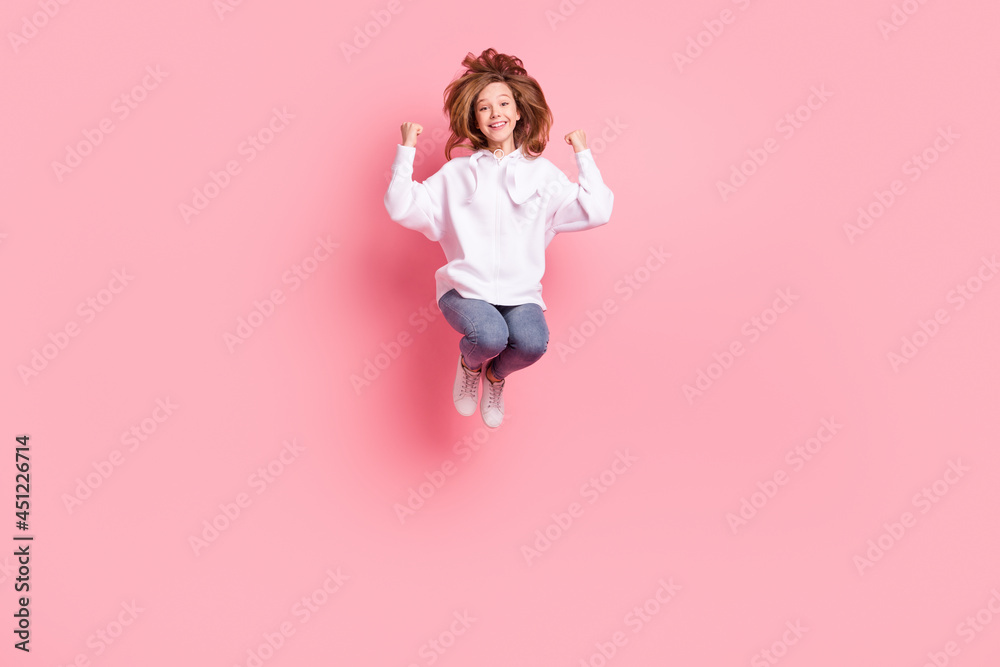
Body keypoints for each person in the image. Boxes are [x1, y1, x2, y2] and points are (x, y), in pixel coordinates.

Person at [383, 48, 614, 428]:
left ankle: (494, 377)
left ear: (519, 111)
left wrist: (583, 155)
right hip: (464, 289)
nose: (496, 113)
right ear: (474, 119)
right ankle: (470, 366)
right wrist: (406, 149)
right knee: (489, 335)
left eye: (503, 103)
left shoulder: (543, 175)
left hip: (519, 294)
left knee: (531, 343)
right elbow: (401, 205)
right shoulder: (457, 173)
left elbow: (598, 210)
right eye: (484, 107)